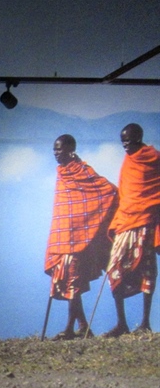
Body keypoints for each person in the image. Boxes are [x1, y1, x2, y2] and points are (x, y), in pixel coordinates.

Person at [43, 134, 117, 339]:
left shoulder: (82, 170)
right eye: (54, 149)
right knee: (67, 281)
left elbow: (109, 191)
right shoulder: (62, 172)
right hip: (63, 236)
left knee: (72, 283)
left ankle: (70, 328)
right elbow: (65, 207)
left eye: (60, 149)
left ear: (71, 150)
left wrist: (89, 223)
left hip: (80, 237)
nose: (56, 153)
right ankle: (83, 326)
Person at [104, 123, 160, 336]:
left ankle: (145, 323)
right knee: (114, 269)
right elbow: (125, 194)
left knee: (147, 269)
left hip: (146, 222)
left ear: (138, 137)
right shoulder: (128, 161)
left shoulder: (153, 158)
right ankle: (122, 324)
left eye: (128, 140)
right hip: (126, 221)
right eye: (123, 141)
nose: (125, 145)